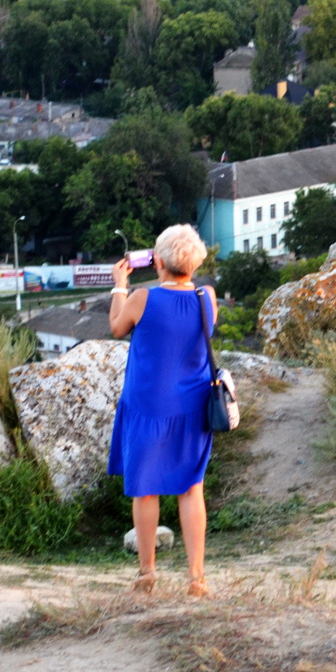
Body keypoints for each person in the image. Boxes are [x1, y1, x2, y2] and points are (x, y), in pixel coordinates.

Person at [107, 224, 218, 598]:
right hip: (192, 406)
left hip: (147, 405)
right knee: (191, 488)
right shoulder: (208, 297)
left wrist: (120, 284)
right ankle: (196, 578)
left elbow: (117, 328)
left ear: (157, 261)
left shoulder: (142, 298)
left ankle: (147, 573)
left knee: (146, 490)